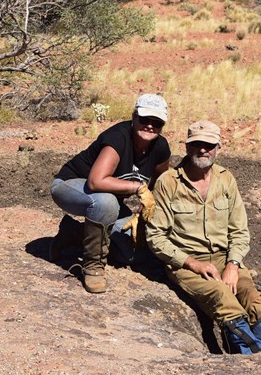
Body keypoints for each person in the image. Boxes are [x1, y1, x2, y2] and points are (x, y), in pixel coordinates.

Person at [146, 120, 261, 354]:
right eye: (197, 144)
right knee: (224, 298)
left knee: (252, 298)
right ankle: (249, 360)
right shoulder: (168, 183)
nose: (203, 150)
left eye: (209, 145)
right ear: (188, 147)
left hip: (224, 257)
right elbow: (155, 236)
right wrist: (194, 264)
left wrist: (233, 264)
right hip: (187, 263)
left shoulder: (226, 179)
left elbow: (239, 230)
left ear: (218, 147)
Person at [50, 93, 171, 293]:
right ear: (134, 117)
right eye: (144, 119)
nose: (150, 126)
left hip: (109, 199)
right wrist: (139, 188)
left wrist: (144, 210)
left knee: (133, 252)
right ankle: (93, 266)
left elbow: (161, 183)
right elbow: (96, 182)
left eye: (156, 122)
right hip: (70, 187)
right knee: (105, 202)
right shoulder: (118, 137)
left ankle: (73, 233)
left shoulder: (160, 147)